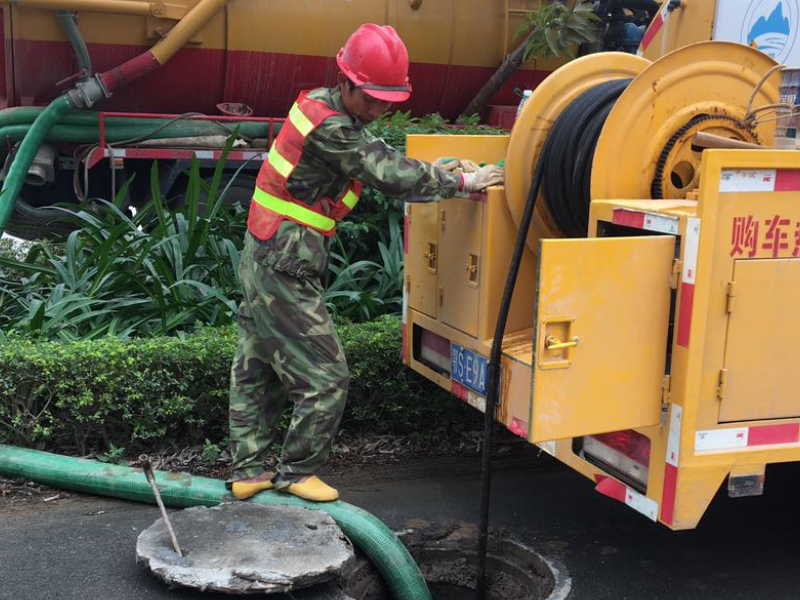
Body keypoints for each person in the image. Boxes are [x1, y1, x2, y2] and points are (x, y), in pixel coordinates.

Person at [227, 23, 504, 503]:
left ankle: (249, 471)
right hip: (283, 260)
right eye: (372, 98)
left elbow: (369, 154)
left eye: (388, 101)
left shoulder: (321, 106)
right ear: (346, 81)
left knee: (257, 362)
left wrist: (442, 172)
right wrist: (464, 183)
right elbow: (384, 170)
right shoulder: (333, 126)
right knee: (327, 376)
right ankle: (296, 472)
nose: (379, 109)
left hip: (267, 251)